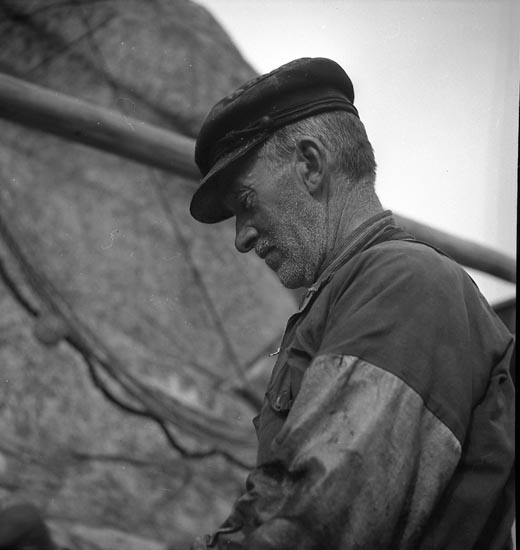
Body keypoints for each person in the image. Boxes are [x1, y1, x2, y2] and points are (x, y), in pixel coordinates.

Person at [188, 58, 515, 550]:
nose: (241, 238)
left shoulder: (404, 283)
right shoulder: (355, 292)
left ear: (310, 164)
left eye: (247, 202)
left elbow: (320, 518)